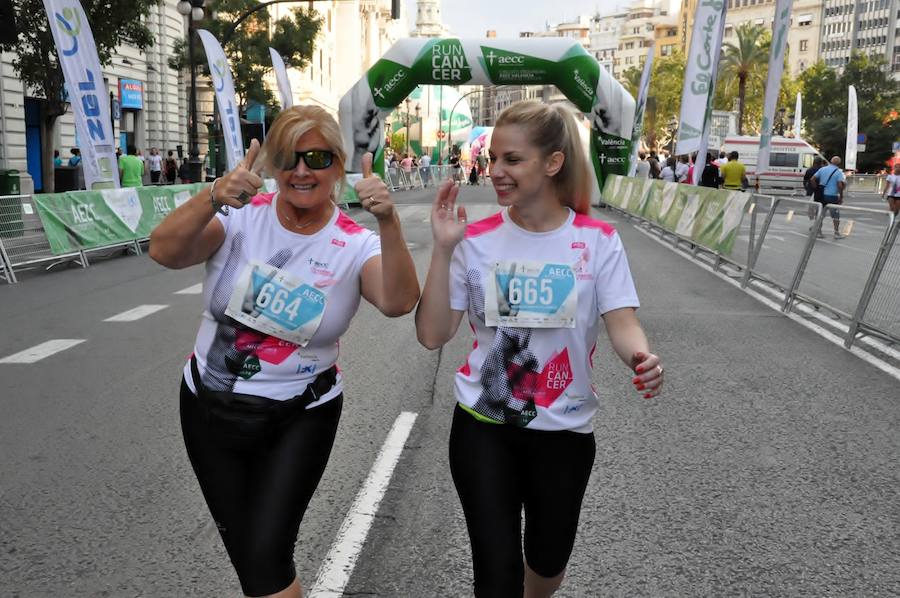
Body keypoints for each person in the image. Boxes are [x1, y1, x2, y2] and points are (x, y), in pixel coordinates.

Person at [148, 105, 419, 598]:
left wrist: (389, 221)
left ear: (338, 166)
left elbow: (399, 302)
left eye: (316, 157)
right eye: (289, 157)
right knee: (252, 561)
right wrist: (211, 197)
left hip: (301, 415)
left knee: (266, 557)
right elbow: (164, 251)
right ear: (272, 164)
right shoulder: (241, 218)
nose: (301, 171)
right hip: (209, 407)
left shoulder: (354, 243)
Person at [415, 100, 663, 598]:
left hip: (565, 430)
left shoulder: (597, 240)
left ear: (552, 163)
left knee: (546, 563)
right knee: (496, 571)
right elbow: (432, 335)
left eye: (512, 159)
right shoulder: (475, 239)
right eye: (494, 159)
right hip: (483, 425)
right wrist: (443, 250)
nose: (497, 171)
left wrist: (642, 357)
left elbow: (622, 323)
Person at [810, 156, 847, 239]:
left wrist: (816, 189)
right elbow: (840, 185)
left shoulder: (822, 169)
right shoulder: (838, 172)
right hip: (832, 196)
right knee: (835, 215)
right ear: (839, 163)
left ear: (830, 161)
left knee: (820, 214)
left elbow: (812, 179)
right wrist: (841, 196)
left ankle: (819, 232)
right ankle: (836, 233)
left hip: (821, 195)